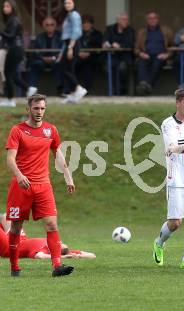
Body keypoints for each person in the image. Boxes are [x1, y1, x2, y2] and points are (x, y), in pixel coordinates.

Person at [5, 93, 76, 277]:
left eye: (42, 108)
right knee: (15, 228)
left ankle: (57, 266)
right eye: (36, 108)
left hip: (43, 185)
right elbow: (10, 159)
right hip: (21, 187)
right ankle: (14, 266)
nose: (39, 112)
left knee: (52, 225)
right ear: (28, 109)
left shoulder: (51, 130)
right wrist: (19, 175)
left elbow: (58, 155)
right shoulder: (18, 130)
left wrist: (68, 176)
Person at [152, 88, 184, 270]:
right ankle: (159, 243)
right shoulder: (168, 124)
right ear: (178, 103)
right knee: (175, 223)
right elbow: (173, 146)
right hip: (177, 179)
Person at [0, 214, 95, 259]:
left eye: (59, 245)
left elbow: (41, 256)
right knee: (7, 216)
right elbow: (92, 255)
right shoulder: (61, 247)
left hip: (9, 248)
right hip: (20, 239)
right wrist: (77, 255)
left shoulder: (44, 251)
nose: (59, 242)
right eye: (61, 243)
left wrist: (63, 257)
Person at [0, 0, 34, 107]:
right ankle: (29, 89)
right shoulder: (11, 20)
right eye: (4, 6)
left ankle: (10, 100)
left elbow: (11, 36)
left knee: (7, 73)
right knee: (13, 75)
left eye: (7, 6)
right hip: (15, 49)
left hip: (15, 49)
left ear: (13, 8)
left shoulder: (14, 20)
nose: (5, 8)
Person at [135, 11, 173, 95]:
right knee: (141, 63)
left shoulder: (166, 31)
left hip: (160, 56)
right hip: (146, 55)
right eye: (150, 18)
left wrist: (167, 54)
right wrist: (140, 53)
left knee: (157, 63)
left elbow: (173, 47)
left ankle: (144, 85)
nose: (152, 20)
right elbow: (136, 48)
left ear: (158, 19)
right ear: (146, 20)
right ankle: (145, 85)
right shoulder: (142, 32)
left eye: (154, 18)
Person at [59, 0, 87, 103]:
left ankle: (79, 88)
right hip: (68, 43)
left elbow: (76, 31)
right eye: (65, 3)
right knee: (69, 68)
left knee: (64, 68)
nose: (67, 5)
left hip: (72, 43)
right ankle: (72, 93)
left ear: (74, 4)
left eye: (69, 3)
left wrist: (70, 47)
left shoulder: (74, 15)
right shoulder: (69, 15)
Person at [28, 17, 64, 96]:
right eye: (47, 25)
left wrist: (53, 58)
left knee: (59, 64)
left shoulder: (60, 36)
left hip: (55, 59)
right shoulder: (40, 37)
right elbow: (35, 50)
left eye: (52, 24)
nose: (49, 26)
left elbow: (62, 50)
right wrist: (42, 58)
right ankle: (32, 88)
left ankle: (60, 89)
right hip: (42, 60)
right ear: (44, 26)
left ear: (55, 26)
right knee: (35, 64)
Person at [102, 12, 135, 95]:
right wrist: (106, 44)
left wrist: (119, 45)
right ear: (118, 21)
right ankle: (112, 90)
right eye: (124, 19)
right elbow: (105, 40)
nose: (126, 21)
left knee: (122, 68)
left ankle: (122, 90)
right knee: (107, 68)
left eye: (127, 20)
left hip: (125, 56)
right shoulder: (110, 29)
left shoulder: (130, 30)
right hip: (112, 55)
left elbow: (130, 43)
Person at [76, 14, 103, 93]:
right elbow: (74, 46)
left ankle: (87, 90)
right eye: (83, 23)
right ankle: (75, 89)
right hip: (79, 57)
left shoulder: (97, 34)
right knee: (72, 64)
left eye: (88, 23)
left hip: (93, 57)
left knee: (88, 66)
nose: (86, 25)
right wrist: (79, 53)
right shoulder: (77, 34)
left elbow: (99, 48)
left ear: (92, 24)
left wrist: (89, 54)